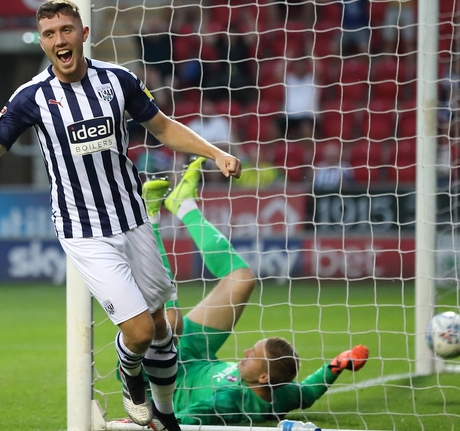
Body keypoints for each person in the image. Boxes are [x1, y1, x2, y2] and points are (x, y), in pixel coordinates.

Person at [0, 0, 242, 430]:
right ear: (42, 43)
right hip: (84, 229)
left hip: (133, 216)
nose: (59, 40)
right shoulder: (31, 97)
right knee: (138, 332)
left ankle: (165, 415)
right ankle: (129, 376)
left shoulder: (118, 80)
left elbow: (162, 127)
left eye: (66, 30)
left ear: (82, 33)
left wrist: (214, 152)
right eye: (49, 34)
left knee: (161, 327)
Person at [141, 157, 369, 426]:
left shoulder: (226, 401)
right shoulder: (280, 394)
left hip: (161, 375)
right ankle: (185, 205)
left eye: (255, 354)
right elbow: (307, 393)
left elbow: (183, 421)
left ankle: (149, 216)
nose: (247, 351)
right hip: (196, 354)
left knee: (171, 320)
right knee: (243, 279)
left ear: (263, 378)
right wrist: (336, 365)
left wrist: (146, 419)